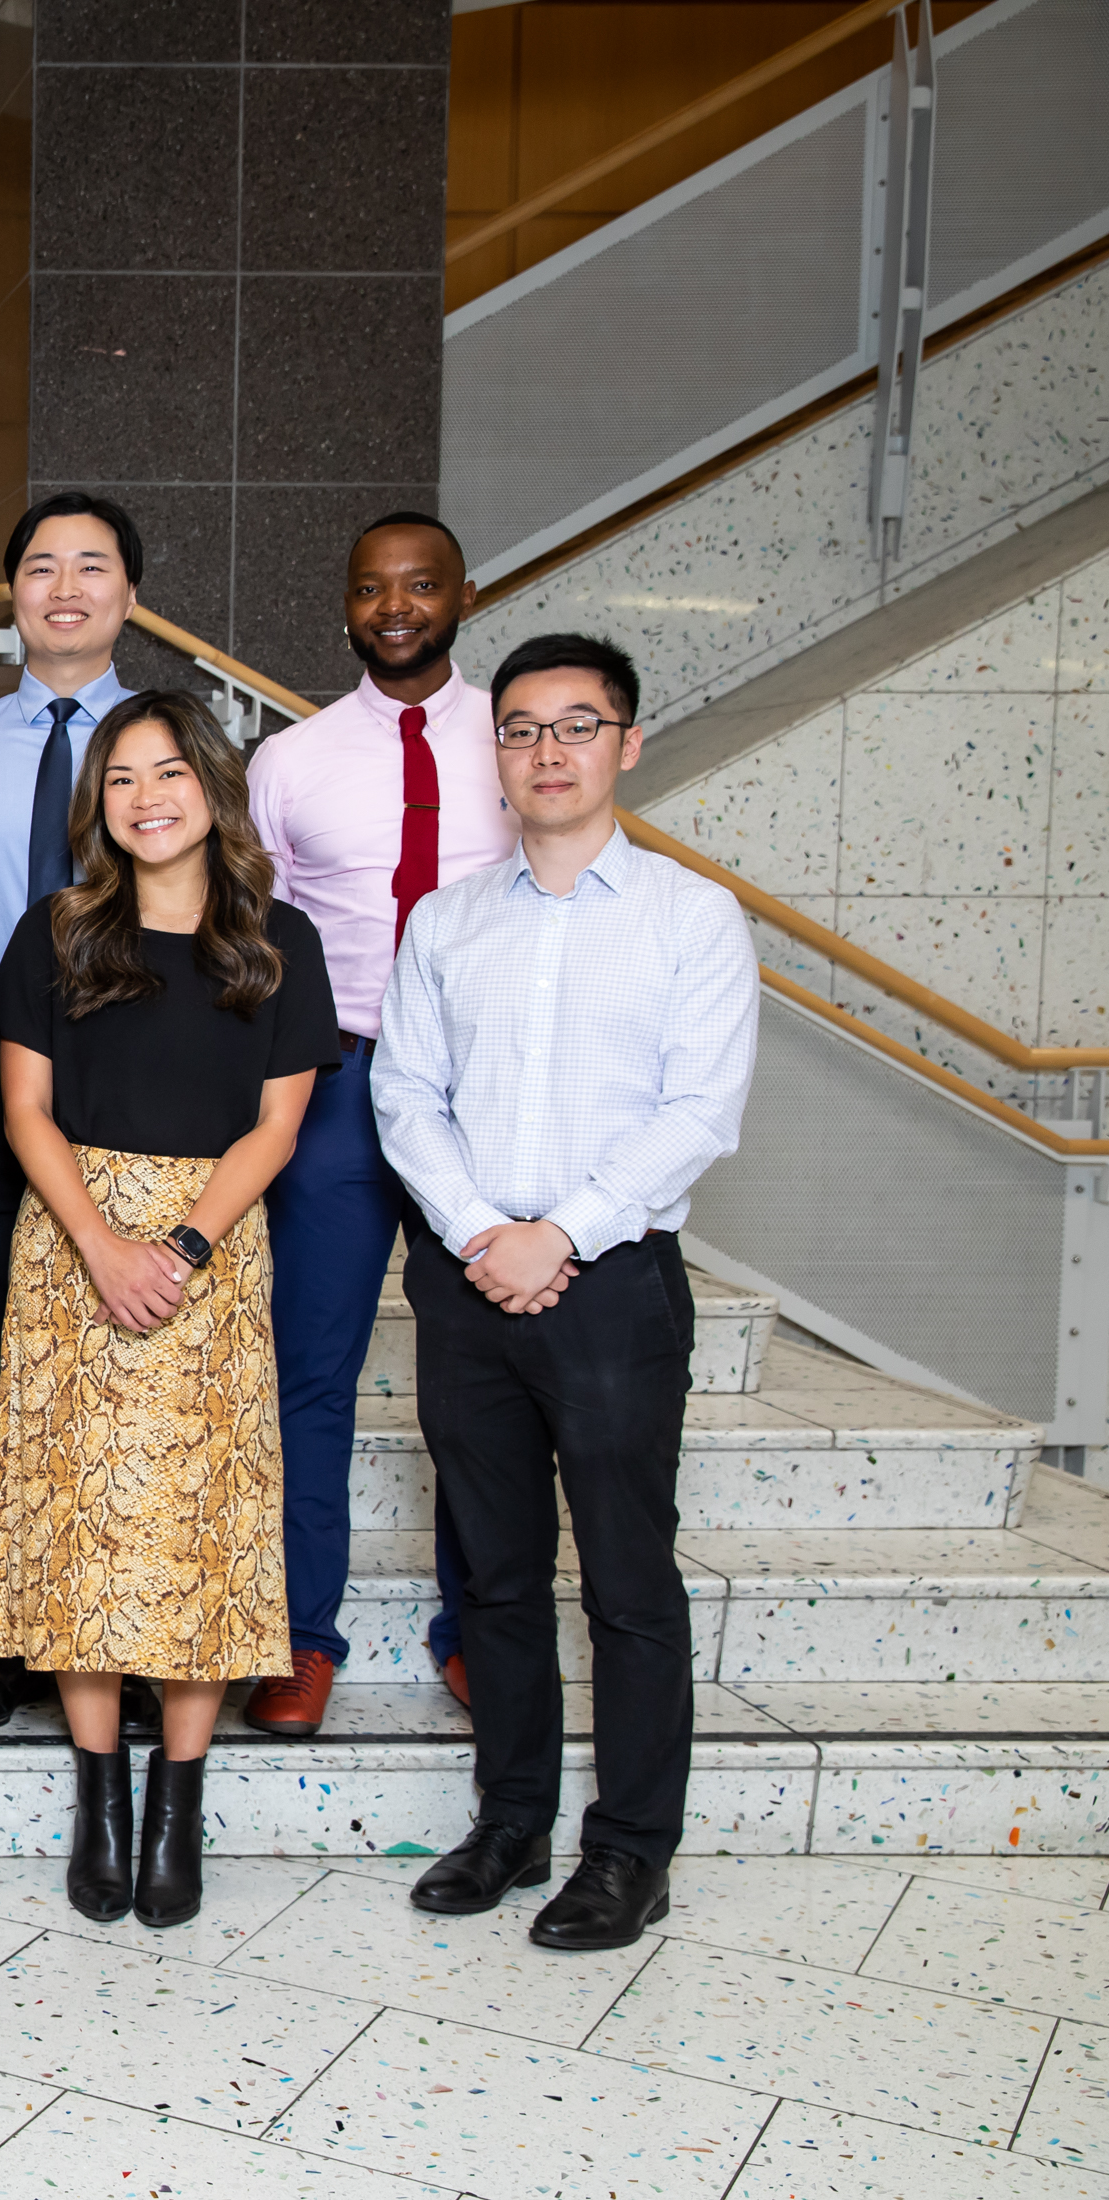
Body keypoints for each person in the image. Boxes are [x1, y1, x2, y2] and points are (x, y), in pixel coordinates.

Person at [376, 631, 756, 1954]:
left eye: (577, 726)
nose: (548, 750)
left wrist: (562, 1236)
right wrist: (486, 1231)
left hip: (612, 1289)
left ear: (627, 744)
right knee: (494, 1573)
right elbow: (403, 1096)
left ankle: (630, 1853)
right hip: (470, 1277)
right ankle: (513, 1820)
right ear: (498, 756)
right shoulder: (448, 919)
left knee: (629, 1583)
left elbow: (700, 1111)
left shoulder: (689, 918)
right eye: (524, 729)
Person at [0, 690, 337, 1932]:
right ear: (101, 804)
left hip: (212, 1250)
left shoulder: (278, 942)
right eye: (122, 778)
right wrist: (101, 1243)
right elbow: (27, 1111)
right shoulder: (57, 932)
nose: (146, 797)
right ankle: (100, 1802)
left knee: (201, 1530)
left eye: (168, 772)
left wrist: (180, 1244)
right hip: (72, 1241)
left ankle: (180, 1803)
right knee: (82, 1526)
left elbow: (280, 1123)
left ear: (211, 787)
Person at [242, 512, 517, 1736]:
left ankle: (477, 1631)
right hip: (344, 1082)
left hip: (481, 1089)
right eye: (372, 588)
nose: (395, 605)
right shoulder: (292, 761)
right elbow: (264, 945)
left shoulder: (517, 743)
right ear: (345, 606)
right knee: (311, 1367)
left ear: (466, 593)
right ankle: (301, 1633)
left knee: (478, 1372)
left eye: (420, 585)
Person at [0, 492, 156, 1741]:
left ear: (127, 594)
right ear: (12, 595)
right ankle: (8, 1645)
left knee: (132, 1371)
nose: (66, 588)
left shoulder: (172, 743)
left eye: (93, 567)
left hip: (144, 1093)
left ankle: (139, 1631)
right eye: (43, 568)